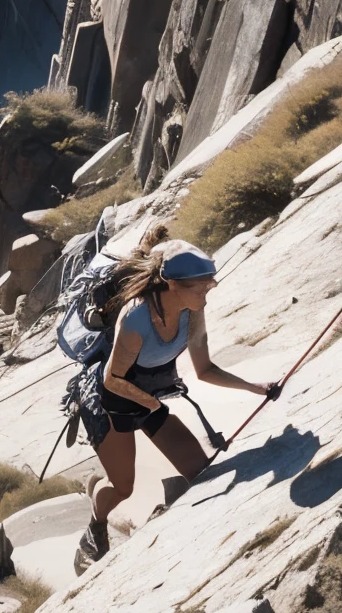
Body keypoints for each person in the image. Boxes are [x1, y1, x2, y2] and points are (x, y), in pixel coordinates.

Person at [72, 227, 280, 572]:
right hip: (111, 402)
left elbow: (205, 369)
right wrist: (153, 406)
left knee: (200, 471)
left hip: (147, 397)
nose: (207, 292)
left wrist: (253, 387)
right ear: (172, 284)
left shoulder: (191, 311)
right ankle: (97, 517)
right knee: (123, 487)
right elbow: (113, 379)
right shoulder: (136, 317)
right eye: (200, 287)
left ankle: (169, 513)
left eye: (209, 285)